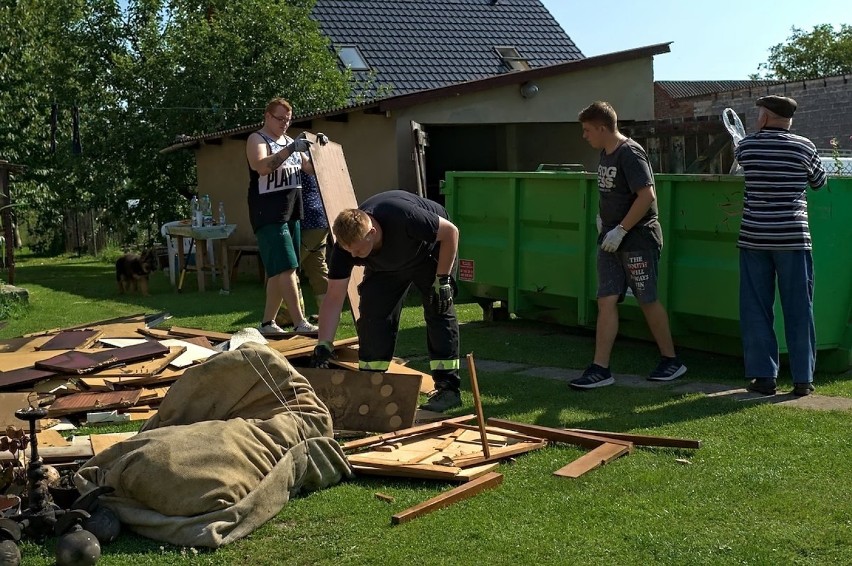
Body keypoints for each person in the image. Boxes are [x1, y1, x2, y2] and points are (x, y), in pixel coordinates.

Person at [309, 190, 463, 413]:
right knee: (373, 315)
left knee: (438, 309)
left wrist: (443, 280)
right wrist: (324, 343)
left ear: (371, 232)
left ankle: (448, 388)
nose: (354, 256)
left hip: (428, 254)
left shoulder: (404, 216)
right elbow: (334, 296)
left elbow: (450, 232)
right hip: (385, 267)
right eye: (349, 250)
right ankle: (371, 384)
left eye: (359, 250)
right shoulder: (347, 247)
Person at [570, 101, 687, 390]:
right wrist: (604, 219)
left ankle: (671, 360)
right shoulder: (605, 153)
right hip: (610, 240)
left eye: (587, 130)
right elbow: (613, 193)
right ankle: (600, 368)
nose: (584, 136)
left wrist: (621, 229)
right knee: (606, 299)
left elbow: (646, 196)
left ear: (601, 128)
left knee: (647, 299)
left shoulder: (630, 153)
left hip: (636, 238)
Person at [734, 95, 827, 396]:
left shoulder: (746, 146)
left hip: (755, 236)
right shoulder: (805, 146)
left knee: (756, 307)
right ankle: (803, 379)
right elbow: (819, 182)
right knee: (800, 307)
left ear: (764, 117)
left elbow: (738, 168)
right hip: (793, 238)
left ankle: (764, 377)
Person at [245, 98, 324, 335]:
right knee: (288, 267)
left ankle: (268, 323)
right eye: (280, 119)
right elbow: (261, 166)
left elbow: (310, 168)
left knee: (280, 271)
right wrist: (291, 149)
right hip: (268, 214)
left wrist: (319, 146)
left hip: (292, 212)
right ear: (267, 116)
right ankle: (300, 322)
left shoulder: (290, 141)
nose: (284, 124)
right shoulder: (257, 139)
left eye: (288, 120)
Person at [275, 171, 330, 326]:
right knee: (317, 268)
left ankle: (291, 315)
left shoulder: (295, 159)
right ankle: (328, 313)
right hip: (320, 219)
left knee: (288, 267)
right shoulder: (311, 157)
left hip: (307, 220)